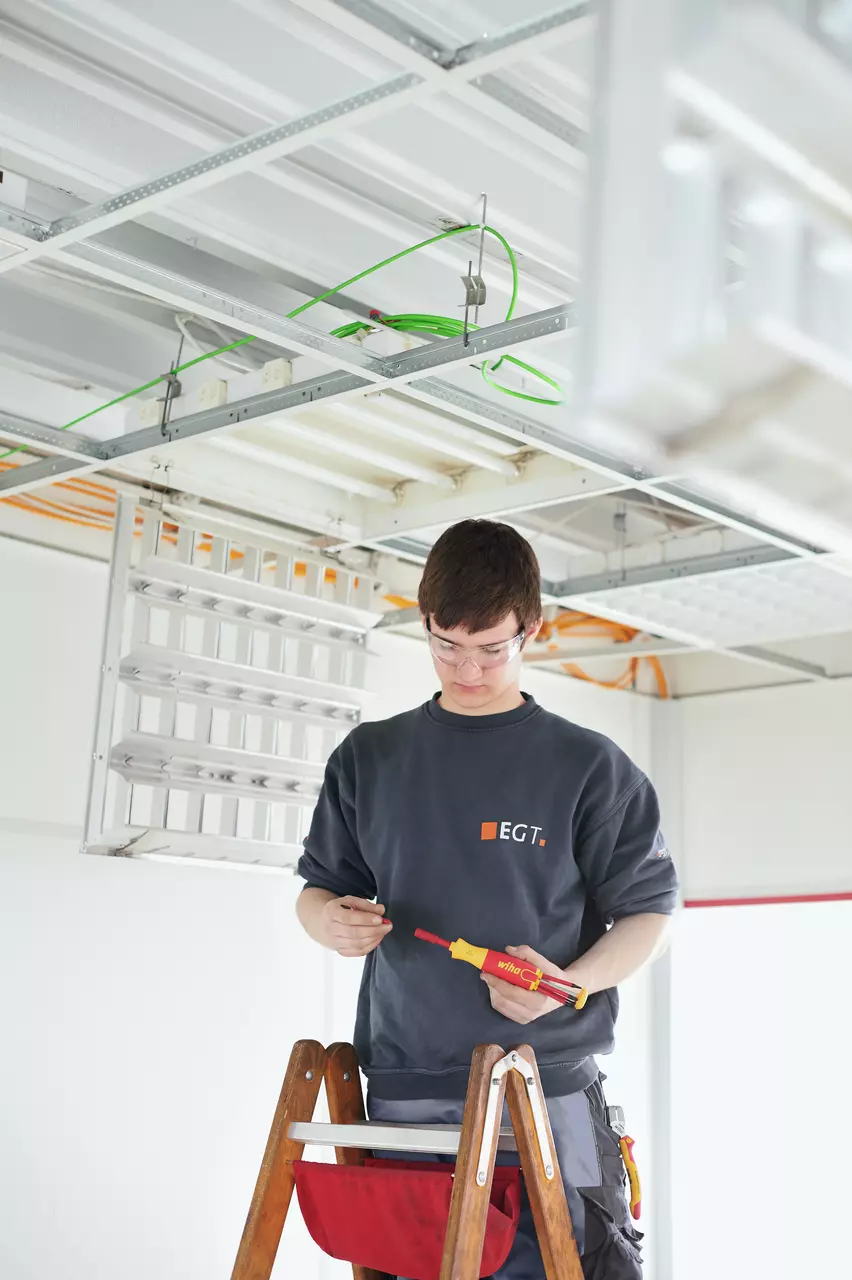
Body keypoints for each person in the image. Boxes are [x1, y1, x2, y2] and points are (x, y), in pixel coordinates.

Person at [296, 519, 678, 1279]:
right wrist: (328, 921)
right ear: (424, 621)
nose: (467, 668)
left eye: (492, 648)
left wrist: (570, 983)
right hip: (405, 1090)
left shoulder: (587, 766)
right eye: (446, 645)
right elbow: (319, 891)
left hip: (544, 1087)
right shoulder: (370, 757)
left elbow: (650, 915)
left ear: (530, 629)